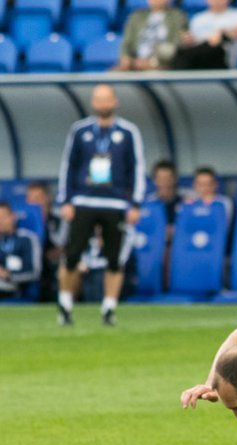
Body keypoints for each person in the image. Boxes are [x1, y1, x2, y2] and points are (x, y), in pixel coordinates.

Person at [56, 84, 145, 326]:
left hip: (115, 203)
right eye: (98, 100)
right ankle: (64, 305)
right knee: (72, 255)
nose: (103, 104)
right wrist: (65, 199)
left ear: (114, 101)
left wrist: (135, 203)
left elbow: (137, 167)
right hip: (83, 201)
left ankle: (108, 308)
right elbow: (68, 166)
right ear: (93, 102)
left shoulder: (128, 132)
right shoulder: (80, 130)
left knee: (114, 259)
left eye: (107, 100)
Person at [173, 0, 237, 70]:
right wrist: (188, 40)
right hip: (200, 53)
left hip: (222, 54)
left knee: (214, 47)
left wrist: (222, 34)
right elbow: (193, 40)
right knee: (180, 52)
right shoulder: (198, 18)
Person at [116, 0, 188, 71]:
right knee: (110, 78)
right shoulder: (136, 16)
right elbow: (126, 43)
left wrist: (153, 63)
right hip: (135, 64)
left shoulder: (177, 17)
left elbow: (177, 46)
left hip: (162, 65)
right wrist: (126, 58)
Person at [0, 201, 41, 300]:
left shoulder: (27, 239)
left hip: (18, 289)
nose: (0, 221)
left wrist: (8, 275)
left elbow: (34, 272)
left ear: (13, 217)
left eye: (3, 217)